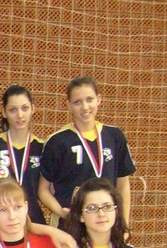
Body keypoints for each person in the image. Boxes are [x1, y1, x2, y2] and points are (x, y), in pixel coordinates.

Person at [39, 77, 136, 227]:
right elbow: (43, 190)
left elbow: (123, 185)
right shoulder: (57, 141)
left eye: (89, 99)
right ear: (68, 105)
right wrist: (63, 213)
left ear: (99, 100)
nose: (85, 107)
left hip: (105, 223)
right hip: (69, 225)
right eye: (77, 102)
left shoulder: (114, 136)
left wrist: (124, 224)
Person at [0, 84, 46, 224]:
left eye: (25, 108)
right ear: (4, 112)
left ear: (33, 109)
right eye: (13, 110)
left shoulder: (42, 148)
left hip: (33, 220)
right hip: (2, 220)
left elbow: (46, 188)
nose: (20, 115)